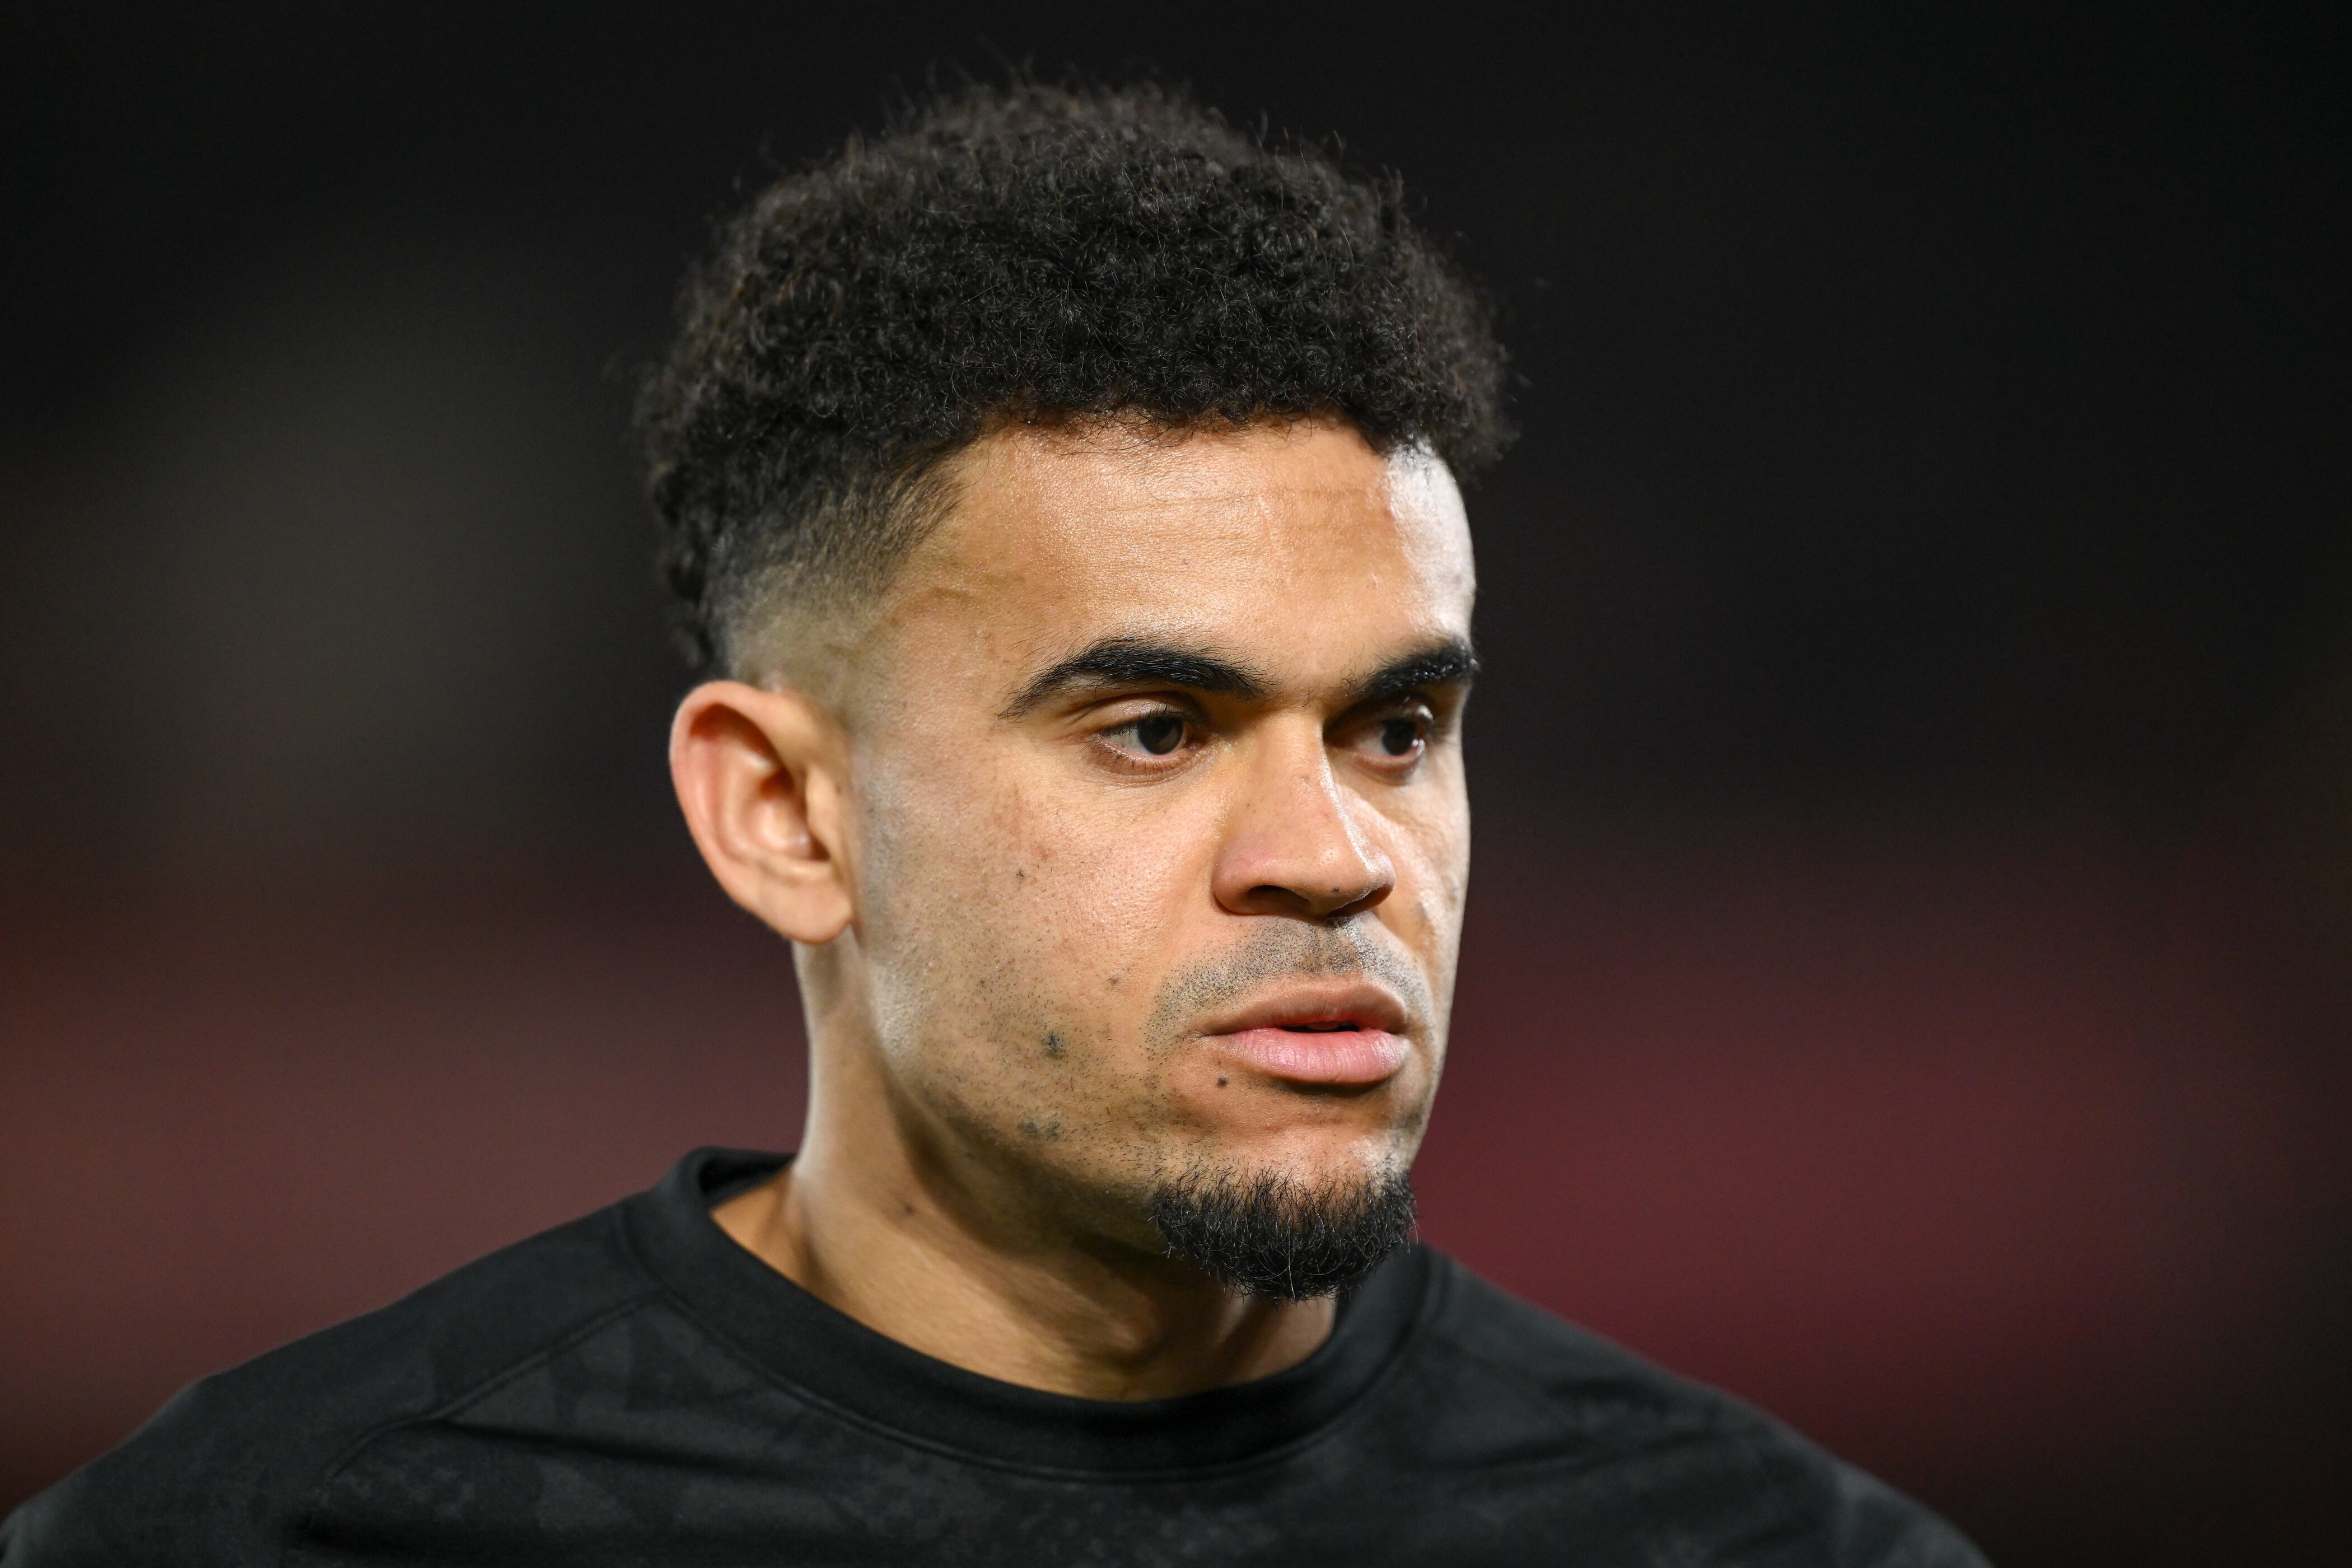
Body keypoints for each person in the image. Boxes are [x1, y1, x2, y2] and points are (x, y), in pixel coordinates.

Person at [2, 82, 1987, 1566]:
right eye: (1150, 727)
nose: (1337, 853)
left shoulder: (1764, 1551)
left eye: (1397, 724)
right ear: (781, 814)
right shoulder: (273, 1536)